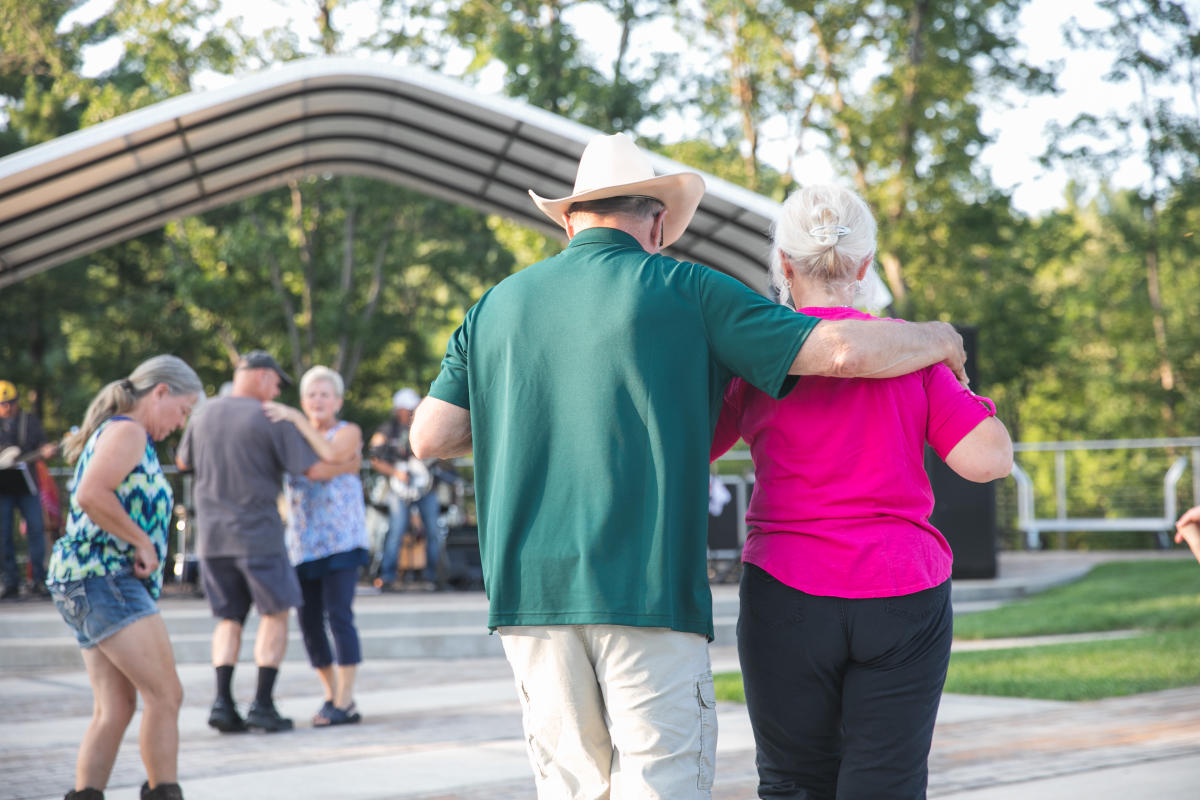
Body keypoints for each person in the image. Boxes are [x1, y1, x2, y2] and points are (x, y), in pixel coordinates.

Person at [409, 132, 969, 799]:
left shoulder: (494, 306)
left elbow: (430, 436)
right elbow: (841, 351)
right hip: (647, 588)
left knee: (572, 789)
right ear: (660, 222)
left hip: (531, 598)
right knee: (661, 782)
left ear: (566, 219)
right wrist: (939, 338)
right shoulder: (688, 289)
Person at [710, 185, 1014, 800]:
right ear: (866, 268)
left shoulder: (759, 360)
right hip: (903, 591)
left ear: (784, 266)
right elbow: (989, 459)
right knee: (888, 784)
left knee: (794, 783)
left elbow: (691, 447)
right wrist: (958, 382)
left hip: (785, 589)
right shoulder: (913, 355)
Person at [175, 350, 359, 735]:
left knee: (228, 619)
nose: (277, 392)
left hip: (212, 537)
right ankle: (262, 704)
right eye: (276, 383)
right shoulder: (269, 416)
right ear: (260, 377)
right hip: (258, 535)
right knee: (274, 616)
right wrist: (347, 465)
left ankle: (223, 703)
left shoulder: (203, 414)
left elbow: (182, 462)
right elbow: (312, 468)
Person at [46, 355, 203, 800]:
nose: (180, 422)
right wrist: (142, 541)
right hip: (105, 578)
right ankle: (163, 792)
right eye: (183, 410)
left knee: (115, 708)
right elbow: (90, 493)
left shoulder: (123, 432)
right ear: (160, 392)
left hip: (87, 579)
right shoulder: (129, 431)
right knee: (166, 695)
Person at [264, 366, 368, 726]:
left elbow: (326, 463)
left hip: (342, 540)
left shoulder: (348, 431)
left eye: (325, 394)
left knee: (339, 615)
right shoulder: (292, 435)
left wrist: (298, 421)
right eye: (311, 395)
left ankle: (345, 698)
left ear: (337, 401)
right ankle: (330, 693)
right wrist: (339, 463)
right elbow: (323, 465)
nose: (318, 400)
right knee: (308, 623)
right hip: (302, 544)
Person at [369, 387, 445, 591]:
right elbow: (374, 456)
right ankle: (388, 576)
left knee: (433, 530)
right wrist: (396, 472)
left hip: (426, 487)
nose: (407, 413)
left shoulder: (424, 426)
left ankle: (433, 577)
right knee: (396, 529)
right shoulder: (388, 430)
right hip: (400, 488)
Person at [0, 379, 58, 599]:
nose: (7, 408)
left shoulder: (29, 421)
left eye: (10, 403)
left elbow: (42, 445)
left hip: (28, 485)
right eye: (3, 404)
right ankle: (10, 580)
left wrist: (46, 451)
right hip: (3, 488)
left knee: (36, 530)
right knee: (4, 534)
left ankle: (39, 579)